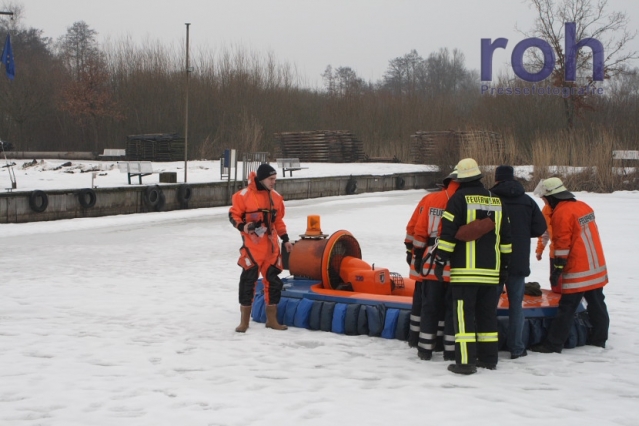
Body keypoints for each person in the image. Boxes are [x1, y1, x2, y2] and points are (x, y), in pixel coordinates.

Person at [434, 158, 512, 375]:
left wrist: (441, 261)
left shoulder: (458, 200)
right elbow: (506, 239)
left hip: (465, 273)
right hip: (490, 272)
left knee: (464, 317)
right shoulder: (496, 201)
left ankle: (465, 362)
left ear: (460, 178)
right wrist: (503, 267)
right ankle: (489, 359)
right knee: (487, 316)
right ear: (478, 177)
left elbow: (448, 235)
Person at [530, 178, 609, 353]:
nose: (544, 201)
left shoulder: (561, 213)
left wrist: (558, 268)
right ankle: (599, 339)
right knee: (597, 303)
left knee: (567, 307)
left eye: (544, 198)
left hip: (578, 268)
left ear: (552, 197)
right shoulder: (583, 206)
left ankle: (553, 344)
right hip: (595, 265)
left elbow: (562, 243)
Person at [490, 166, 547, 360]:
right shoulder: (527, 201)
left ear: (497, 179)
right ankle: (517, 348)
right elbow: (540, 227)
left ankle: (490, 346)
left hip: (494, 259)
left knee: (489, 304)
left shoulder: (490, 198)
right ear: (513, 178)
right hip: (519, 258)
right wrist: (522, 233)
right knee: (516, 306)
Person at [228, 163, 293, 332]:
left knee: (273, 283)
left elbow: (278, 221)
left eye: (275, 179)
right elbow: (233, 215)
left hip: (271, 249)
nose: (274, 182)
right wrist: (243, 226)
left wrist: (285, 239)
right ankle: (244, 322)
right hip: (252, 248)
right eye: (271, 179)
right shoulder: (243, 196)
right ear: (262, 178)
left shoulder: (276, 197)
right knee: (247, 282)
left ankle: (272, 320)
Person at [412, 169, 459, 361]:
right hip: (457, 265)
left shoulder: (431, 200)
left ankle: (425, 349)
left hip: (431, 264)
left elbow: (419, 230)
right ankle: (449, 350)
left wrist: (415, 255)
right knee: (451, 309)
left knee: (430, 307)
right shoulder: (467, 201)